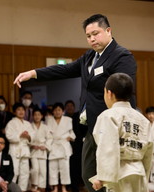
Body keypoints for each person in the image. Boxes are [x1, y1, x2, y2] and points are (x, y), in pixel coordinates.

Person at [13, 14, 137, 192]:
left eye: (96, 33)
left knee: (113, 176)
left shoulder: (122, 56)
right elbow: (64, 69)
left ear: (108, 31)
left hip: (113, 126)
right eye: (88, 36)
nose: (92, 39)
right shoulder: (89, 57)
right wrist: (33, 73)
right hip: (91, 126)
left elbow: (126, 91)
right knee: (88, 174)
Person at [90, 73, 153, 192]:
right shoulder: (143, 120)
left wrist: (103, 177)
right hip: (139, 173)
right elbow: (149, 152)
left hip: (118, 175)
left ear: (109, 93)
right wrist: (145, 173)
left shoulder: (108, 116)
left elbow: (108, 148)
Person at [5, 102, 35, 192]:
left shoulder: (27, 124)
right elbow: (9, 136)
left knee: (25, 172)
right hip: (15, 149)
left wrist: (29, 136)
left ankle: (22, 190)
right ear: (14, 112)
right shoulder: (11, 123)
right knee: (14, 172)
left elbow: (33, 136)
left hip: (25, 149)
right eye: (18, 110)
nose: (21, 112)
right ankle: (12, 190)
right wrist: (20, 135)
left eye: (23, 110)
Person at [47, 102, 76, 192]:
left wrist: (70, 137)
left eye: (59, 110)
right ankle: (55, 187)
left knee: (65, 168)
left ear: (63, 111)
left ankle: (64, 187)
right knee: (53, 168)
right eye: (55, 110)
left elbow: (72, 133)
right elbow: (47, 134)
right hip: (53, 145)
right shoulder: (49, 120)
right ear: (53, 112)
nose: (57, 112)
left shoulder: (68, 120)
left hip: (64, 146)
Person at [64, 100, 87, 192]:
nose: (69, 107)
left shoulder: (79, 116)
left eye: (71, 106)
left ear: (74, 107)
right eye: (67, 106)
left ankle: (77, 185)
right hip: (66, 145)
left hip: (78, 145)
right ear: (65, 108)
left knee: (78, 166)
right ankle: (69, 185)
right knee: (68, 167)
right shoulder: (63, 118)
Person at [30, 108, 52, 192]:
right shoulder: (29, 126)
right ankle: (34, 185)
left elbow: (50, 138)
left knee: (43, 170)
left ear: (42, 116)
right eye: (35, 115)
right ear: (32, 116)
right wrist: (31, 145)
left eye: (39, 115)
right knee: (35, 169)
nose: (37, 116)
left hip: (42, 150)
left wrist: (46, 146)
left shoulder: (45, 127)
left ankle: (42, 187)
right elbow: (27, 138)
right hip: (33, 150)